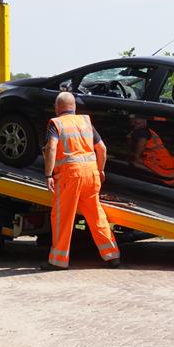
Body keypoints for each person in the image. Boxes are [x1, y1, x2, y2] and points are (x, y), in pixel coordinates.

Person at [43, 92, 120, 269]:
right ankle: (112, 255)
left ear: (57, 107)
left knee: (63, 216)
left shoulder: (56, 124)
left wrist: (48, 175)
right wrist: (100, 170)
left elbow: (51, 147)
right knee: (96, 215)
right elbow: (102, 149)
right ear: (74, 108)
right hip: (91, 175)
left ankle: (58, 261)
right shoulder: (86, 122)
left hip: (70, 176)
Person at [127, 113, 174, 186]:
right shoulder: (147, 131)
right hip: (163, 160)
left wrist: (136, 157)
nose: (130, 118)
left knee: (134, 162)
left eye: (133, 117)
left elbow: (136, 158)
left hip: (160, 162)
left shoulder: (142, 132)